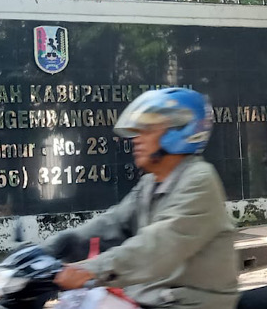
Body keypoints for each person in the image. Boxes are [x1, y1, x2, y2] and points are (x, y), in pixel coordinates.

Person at [41, 87, 239, 309]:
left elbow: (156, 247)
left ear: (178, 131)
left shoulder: (200, 180)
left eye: (148, 129)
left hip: (190, 303)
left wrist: (90, 270)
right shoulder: (151, 182)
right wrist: (52, 248)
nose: (136, 139)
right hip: (150, 300)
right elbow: (112, 223)